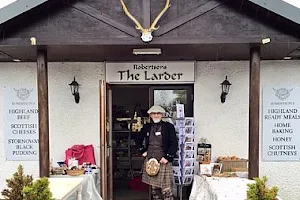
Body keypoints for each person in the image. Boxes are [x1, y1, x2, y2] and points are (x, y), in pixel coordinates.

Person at [136, 105, 178, 200]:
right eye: (153, 113)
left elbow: (174, 143)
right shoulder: (147, 127)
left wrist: (167, 157)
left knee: (167, 190)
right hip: (151, 161)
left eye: (158, 113)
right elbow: (138, 139)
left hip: (163, 160)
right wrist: (142, 151)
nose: (156, 115)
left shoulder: (168, 127)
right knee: (155, 189)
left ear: (162, 115)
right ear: (150, 115)